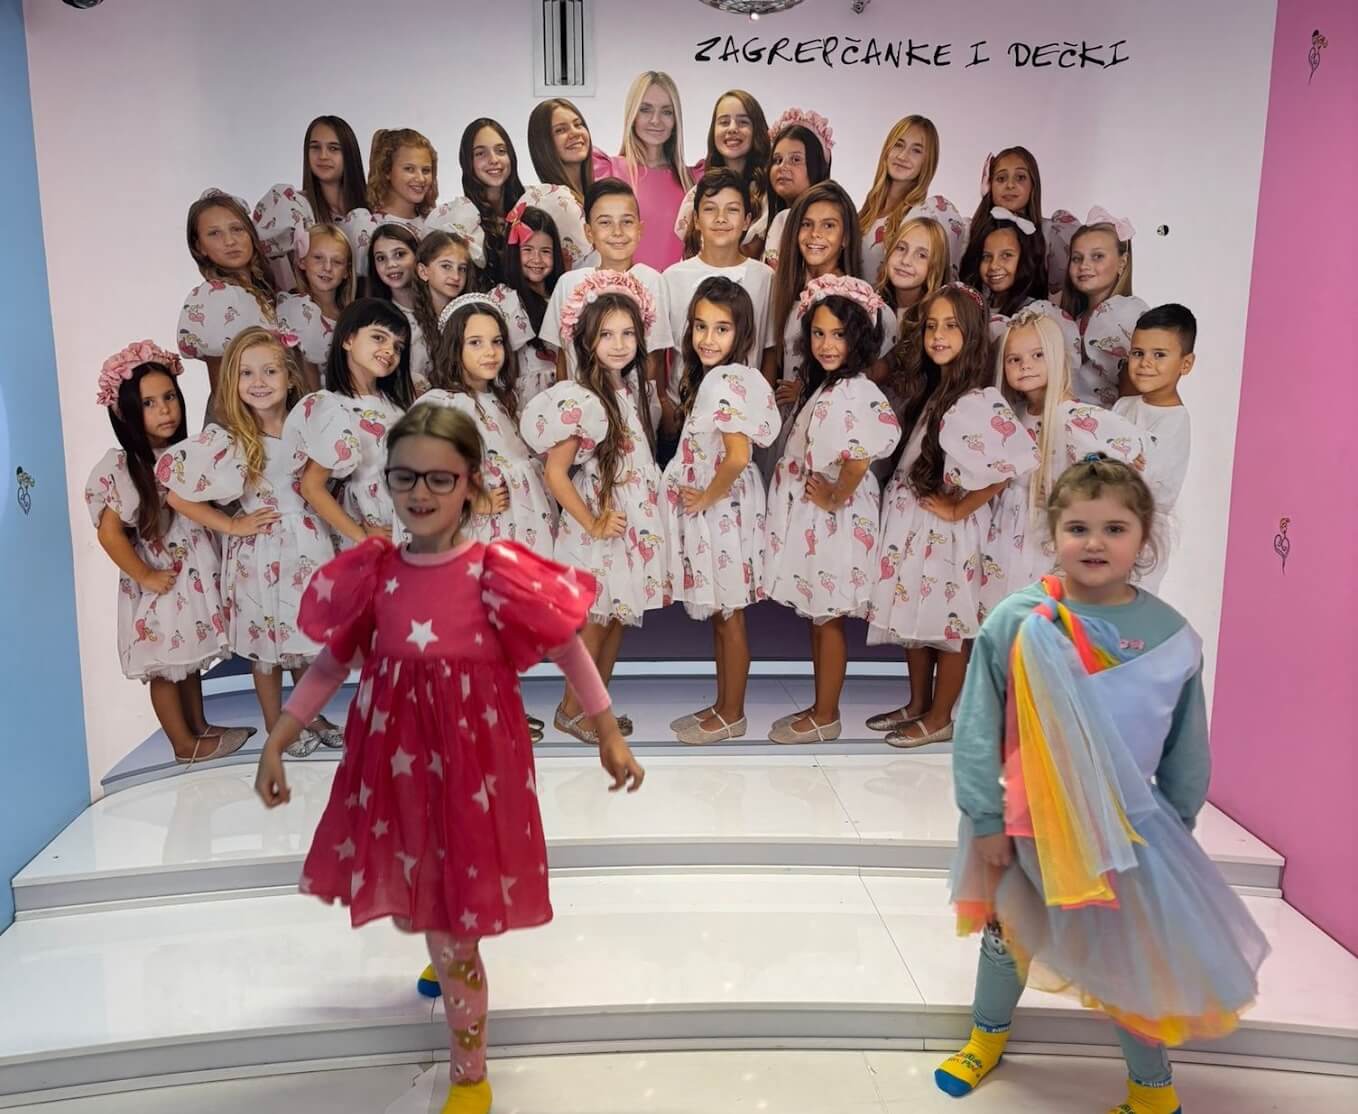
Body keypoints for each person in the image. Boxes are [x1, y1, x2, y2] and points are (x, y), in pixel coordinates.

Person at [254, 401, 644, 1114]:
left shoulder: (494, 570)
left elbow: (567, 647)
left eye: (440, 478)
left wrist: (608, 732)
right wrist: (279, 737)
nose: (421, 493)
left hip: (473, 763)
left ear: (472, 483)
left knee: (457, 922)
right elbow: (332, 663)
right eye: (405, 477)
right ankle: (442, 933)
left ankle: (470, 1074)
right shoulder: (375, 572)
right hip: (396, 758)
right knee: (420, 860)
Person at [937, 456, 1268, 1114]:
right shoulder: (1018, 620)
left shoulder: (1173, 639)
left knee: (1133, 958)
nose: (1095, 542)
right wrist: (985, 819)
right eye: (1078, 527)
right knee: (1008, 935)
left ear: (1144, 537)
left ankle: (1153, 1091)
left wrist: (1176, 826)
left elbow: (1186, 748)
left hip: (1127, 832)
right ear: (1052, 533)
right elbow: (975, 727)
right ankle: (986, 1038)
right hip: (1025, 823)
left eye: (1115, 528)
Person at [865, 284, 1039, 747]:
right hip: (916, 523)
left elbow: (1008, 467)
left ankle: (941, 716)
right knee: (914, 616)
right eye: (932, 326)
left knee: (947, 625)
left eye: (951, 327)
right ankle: (917, 703)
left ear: (973, 335)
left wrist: (959, 506)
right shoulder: (936, 390)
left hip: (947, 532)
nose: (938, 336)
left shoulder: (978, 398)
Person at [158, 328, 343, 756]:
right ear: (233, 381)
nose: (259, 382)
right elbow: (177, 494)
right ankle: (276, 722)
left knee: (303, 641)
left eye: (270, 371)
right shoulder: (231, 440)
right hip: (261, 553)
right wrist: (232, 526)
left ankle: (308, 714)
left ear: (289, 376)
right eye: (246, 373)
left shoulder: (308, 427)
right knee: (268, 648)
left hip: (307, 546)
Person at [86, 340, 251, 765]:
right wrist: (144, 575)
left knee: (187, 662)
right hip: (161, 582)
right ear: (126, 414)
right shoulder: (126, 468)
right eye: (149, 403)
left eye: (170, 397)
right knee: (165, 667)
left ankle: (200, 727)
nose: (165, 410)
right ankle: (182, 743)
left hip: (188, 579)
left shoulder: (185, 457)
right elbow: (110, 534)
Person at [521, 274, 668, 743]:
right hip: (598, 529)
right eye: (606, 334)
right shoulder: (580, 398)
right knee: (596, 624)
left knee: (616, 616)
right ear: (586, 340)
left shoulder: (627, 391)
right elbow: (556, 473)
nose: (619, 344)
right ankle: (571, 709)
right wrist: (594, 522)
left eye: (627, 334)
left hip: (625, 527)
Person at [762, 276, 901, 744]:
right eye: (819, 334)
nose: (826, 344)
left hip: (834, 519)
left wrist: (836, 496)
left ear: (858, 338)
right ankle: (821, 703)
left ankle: (827, 713)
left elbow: (860, 455)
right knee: (819, 616)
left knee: (828, 619)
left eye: (838, 335)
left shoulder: (855, 390)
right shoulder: (831, 386)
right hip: (818, 517)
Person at [662, 278, 779, 744]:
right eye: (700, 326)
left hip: (725, 510)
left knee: (730, 614)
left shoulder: (727, 381)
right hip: (722, 506)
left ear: (741, 333)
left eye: (722, 329)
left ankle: (733, 713)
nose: (708, 339)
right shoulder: (717, 378)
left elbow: (737, 456)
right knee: (720, 612)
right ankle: (722, 702)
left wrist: (706, 497)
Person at [982, 306, 1150, 615]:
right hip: (1006, 532)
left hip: (1042, 536)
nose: (1025, 366)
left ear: (1056, 357)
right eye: (1014, 359)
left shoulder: (1071, 416)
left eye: (1037, 355)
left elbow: (1125, 456)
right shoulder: (1013, 415)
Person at [288, 298, 414, 550]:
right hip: (373, 525)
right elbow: (311, 487)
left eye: (398, 346)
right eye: (378, 337)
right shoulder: (333, 408)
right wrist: (361, 535)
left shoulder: (397, 406)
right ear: (348, 339)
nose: (390, 350)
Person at [661, 169, 775, 436]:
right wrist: (665, 407)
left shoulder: (765, 278)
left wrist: (762, 405)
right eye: (710, 209)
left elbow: (770, 351)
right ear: (696, 219)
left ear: (747, 221)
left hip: (743, 415)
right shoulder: (672, 277)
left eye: (732, 210)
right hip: (683, 411)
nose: (721, 218)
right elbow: (658, 354)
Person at [1115, 303, 1197, 594]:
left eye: (1159, 355)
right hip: (1107, 520)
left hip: (1142, 533)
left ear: (1185, 364)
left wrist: (1112, 458)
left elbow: (1136, 479)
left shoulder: (1175, 421)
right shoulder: (1123, 406)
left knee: (1127, 606)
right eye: (1138, 353)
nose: (1145, 363)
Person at [177, 189, 280, 414]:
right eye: (214, 233)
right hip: (240, 420)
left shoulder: (262, 295)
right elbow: (222, 391)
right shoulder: (214, 298)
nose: (230, 241)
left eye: (237, 229)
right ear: (199, 246)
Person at [593, 71, 695, 271]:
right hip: (616, 288)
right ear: (632, 115)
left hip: (672, 289)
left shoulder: (691, 182)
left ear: (676, 121)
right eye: (645, 110)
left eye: (667, 112)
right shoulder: (605, 170)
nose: (656, 120)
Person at [856, 115, 962, 284]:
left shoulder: (924, 216)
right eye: (898, 145)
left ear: (927, 161)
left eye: (916, 150)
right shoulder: (864, 213)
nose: (903, 156)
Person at [1062, 209, 1147, 407]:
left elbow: (1133, 397)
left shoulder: (1124, 316)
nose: (1084, 265)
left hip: (1109, 422)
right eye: (1077, 258)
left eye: (1097, 256)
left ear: (1122, 263)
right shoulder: (1073, 320)